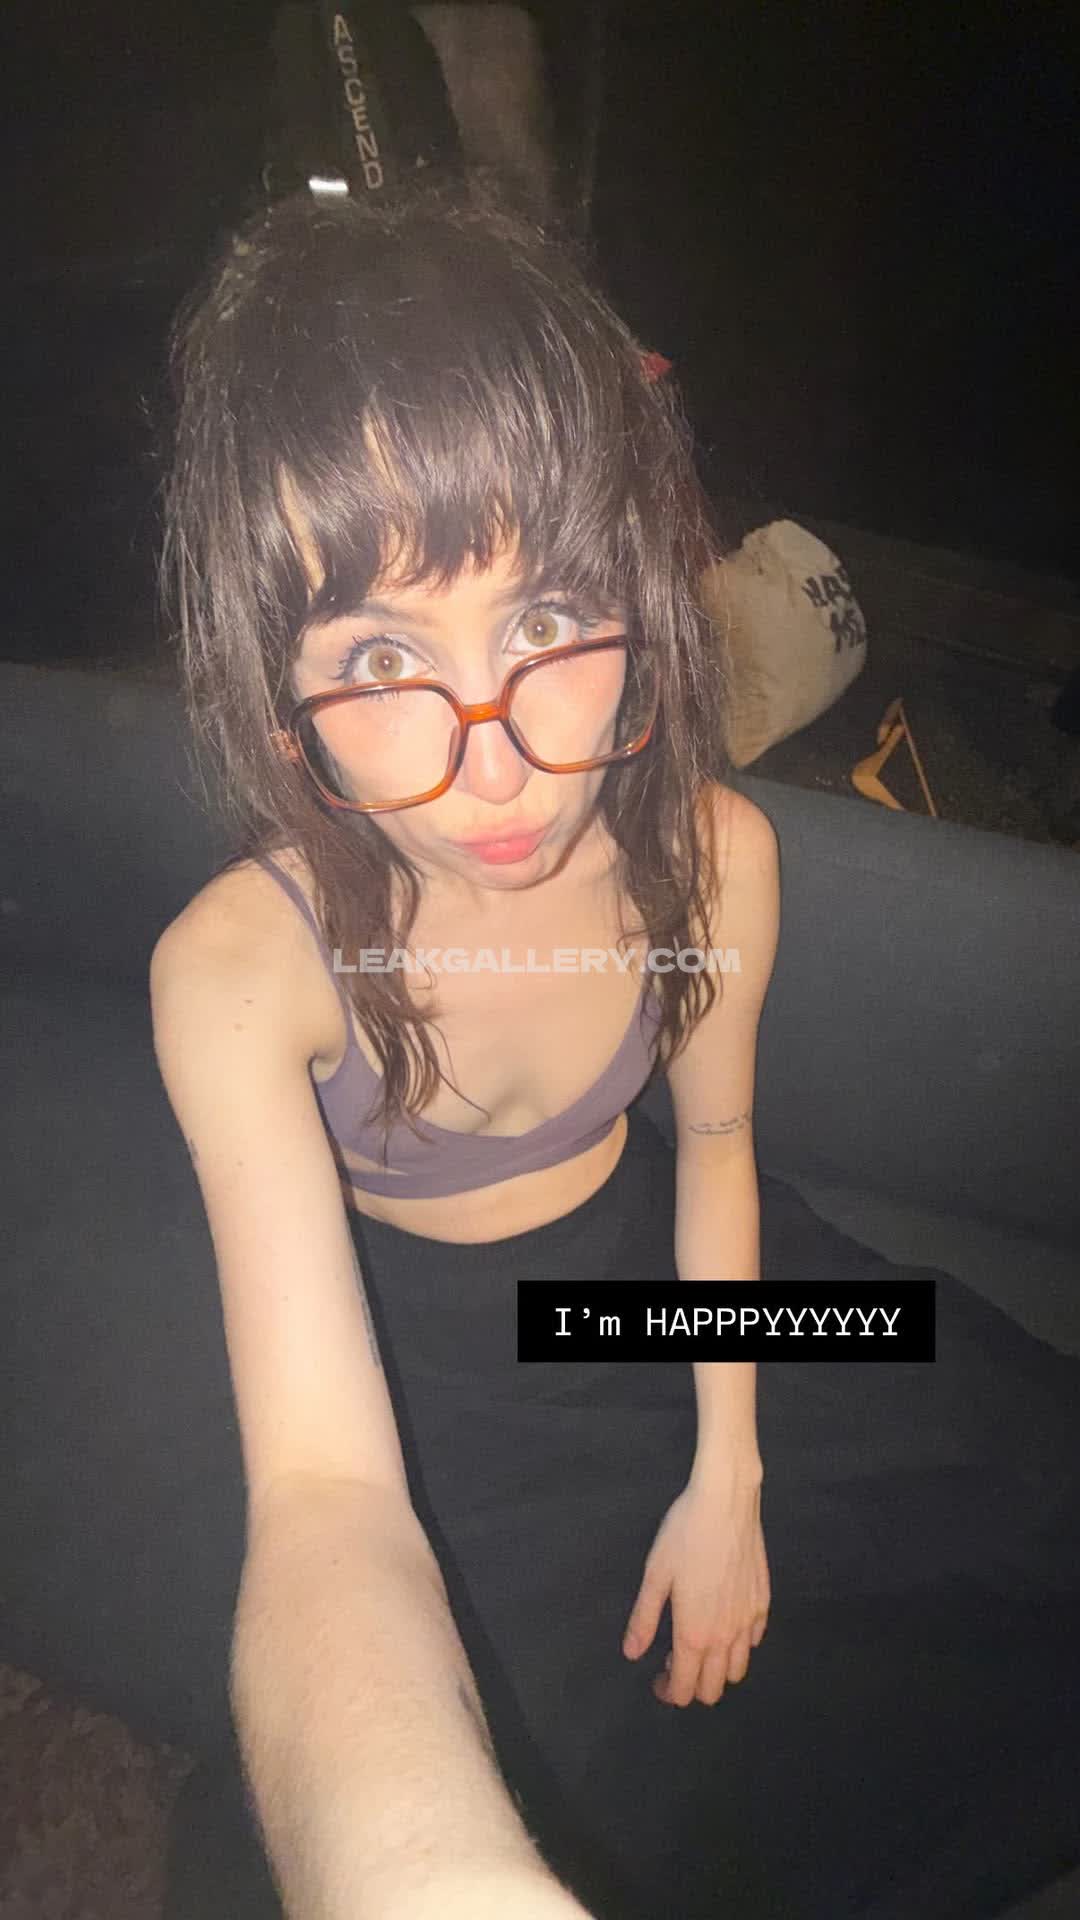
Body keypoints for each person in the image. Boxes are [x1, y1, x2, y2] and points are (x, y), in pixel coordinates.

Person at [151, 181, 1080, 1920]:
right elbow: (328, 1500)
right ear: (276, 699)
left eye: (546, 622)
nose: (495, 760)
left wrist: (729, 1475)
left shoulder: (719, 858)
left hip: (665, 1282)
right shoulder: (239, 971)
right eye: (378, 655)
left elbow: (717, 1155)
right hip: (438, 1372)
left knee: (1024, 1448)